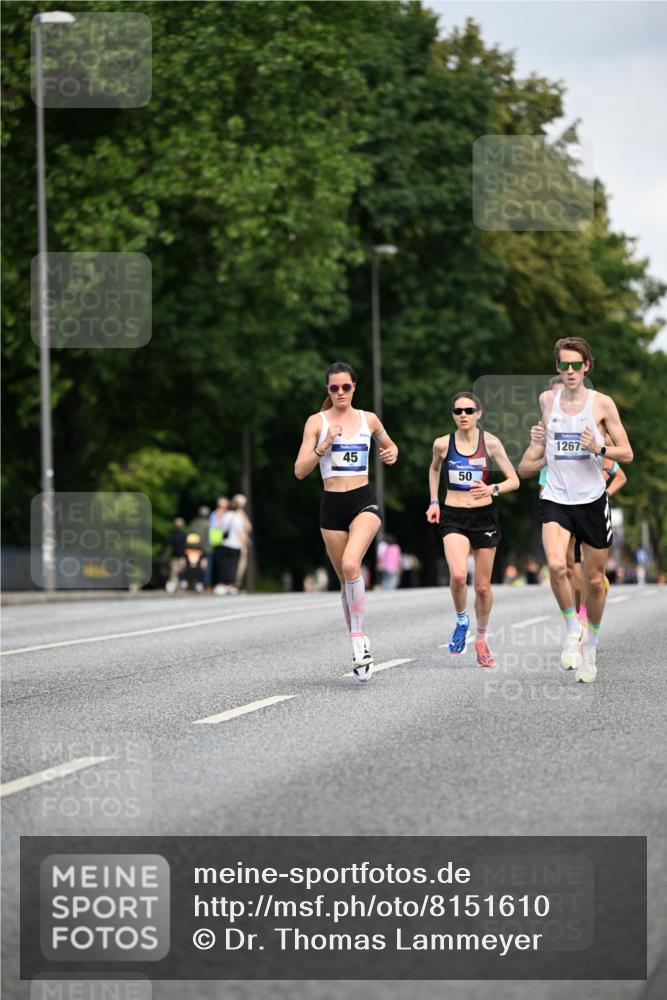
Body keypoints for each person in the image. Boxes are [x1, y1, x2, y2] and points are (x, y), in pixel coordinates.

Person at [518, 337, 633, 683]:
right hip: (556, 497)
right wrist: (538, 442)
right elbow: (530, 462)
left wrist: (599, 447)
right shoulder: (546, 401)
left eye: (575, 365)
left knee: (594, 581)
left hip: (592, 500)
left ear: (587, 366)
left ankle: (592, 644)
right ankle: (572, 629)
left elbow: (626, 453)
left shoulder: (602, 405)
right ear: (558, 367)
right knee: (556, 565)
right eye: (563, 365)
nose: (569, 371)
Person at [294, 362, 399, 681]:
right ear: (328, 390)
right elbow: (299, 470)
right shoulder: (317, 422)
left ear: (355, 387)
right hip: (332, 506)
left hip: (362, 500)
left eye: (346, 387)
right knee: (344, 581)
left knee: (353, 565)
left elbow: (389, 444)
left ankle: (357, 644)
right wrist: (323, 446)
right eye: (334, 388)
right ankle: (359, 635)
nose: (340, 392)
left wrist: (391, 452)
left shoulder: (368, 419)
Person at [426, 391, 520, 668]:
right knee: (457, 575)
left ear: (479, 413)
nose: (463, 415)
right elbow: (433, 470)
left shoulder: (490, 443)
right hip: (453, 515)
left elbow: (514, 480)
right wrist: (434, 501)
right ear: (453, 415)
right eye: (458, 411)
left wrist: (492, 488)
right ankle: (462, 620)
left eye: (469, 410)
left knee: (481, 587)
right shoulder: (443, 444)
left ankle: (481, 638)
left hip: (484, 517)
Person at [216, 497, 247, 594]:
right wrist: (243, 546)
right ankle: (231, 585)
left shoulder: (225, 515)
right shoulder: (238, 518)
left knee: (223, 565)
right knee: (233, 566)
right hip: (235, 545)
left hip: (224, 543)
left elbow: (219, 528)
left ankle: (222, 584)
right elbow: (240, 533)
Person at [232, 494, 253, 590]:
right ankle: (234, 584)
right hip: (238, 544)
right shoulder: (237, 515)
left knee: (240, 566)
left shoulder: (238, 514)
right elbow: (247, 528)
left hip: (238, 544)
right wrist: (243, 546)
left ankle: (236, 584)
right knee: (239, 566)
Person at [164, 517, 187, 592]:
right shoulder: (185, 535)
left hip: (174, 557)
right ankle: (180, 587)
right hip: (182, 557)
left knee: (174, 573)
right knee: (181, 573)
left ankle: (174, 586)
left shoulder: (172, 535)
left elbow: (167, 546)